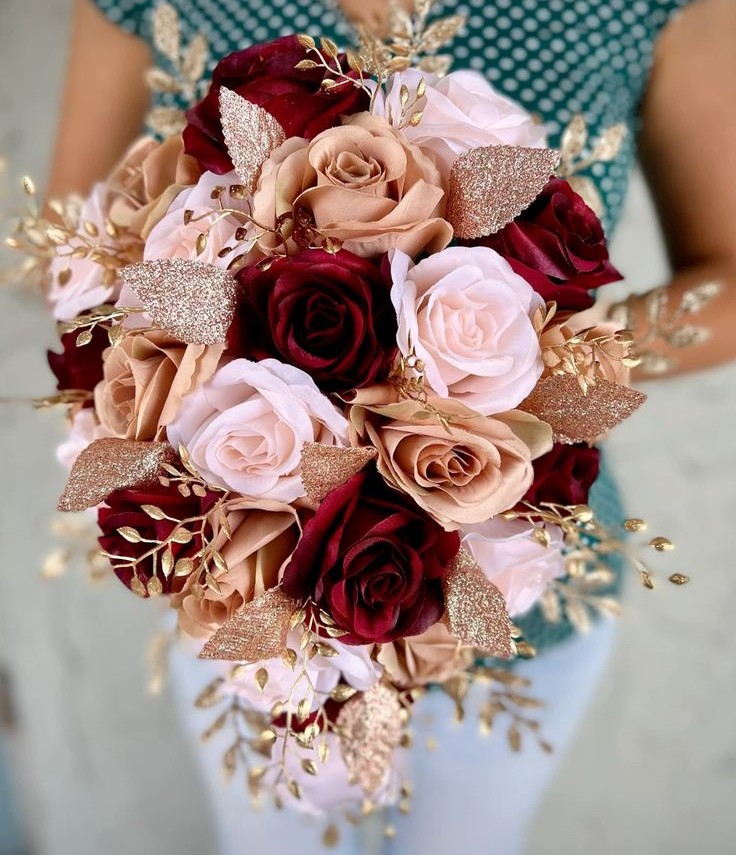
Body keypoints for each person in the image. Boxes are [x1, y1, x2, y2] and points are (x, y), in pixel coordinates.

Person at [45, 1, 736, 853]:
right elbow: (64, 261)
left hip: (527, 573)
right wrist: (214, 324)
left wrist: (525, 364)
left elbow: (729, 278)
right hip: (249, 567)